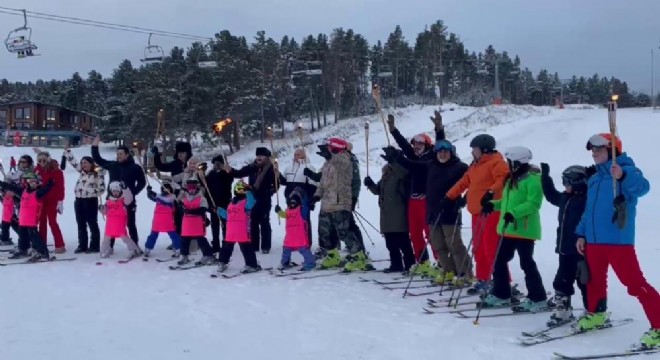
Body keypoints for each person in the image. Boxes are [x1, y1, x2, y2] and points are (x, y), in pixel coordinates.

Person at [574, 133, 659, 348]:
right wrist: (582, 234)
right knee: (593, 280)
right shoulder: (594, 178)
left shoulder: (626, 170)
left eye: (599, 150)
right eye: (592, 150)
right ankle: (596, 314)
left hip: (617, 241)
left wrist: (622, 176)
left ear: (612, 151)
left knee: (635, 284)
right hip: (593, 241)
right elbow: (589, 210)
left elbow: (642, 188)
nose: (594, 154)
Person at [480, 146, 547, 311]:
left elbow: (534, 204)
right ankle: (502, 294)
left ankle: (538, 298)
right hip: (509, 228)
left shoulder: (533, 179)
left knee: (526, 263)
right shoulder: (512, 179)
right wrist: (492, 205)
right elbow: (505, 203)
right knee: (499, 259)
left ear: (518, 162)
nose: (508, 165)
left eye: (510, 162)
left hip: (524, 230)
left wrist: (514, 213)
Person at [400, 137, 471, 285]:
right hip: (432, 212)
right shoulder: (431, 164)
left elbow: (475, 183)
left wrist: (463, 200)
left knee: (454, 244)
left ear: (451, 153)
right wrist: (396, 157)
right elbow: (412, 165)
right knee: (438, 244)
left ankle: (465, 273)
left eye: (445, 152)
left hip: (450, 212)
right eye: (439, 152)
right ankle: (449, 271)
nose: (442, 154)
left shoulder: (460, 167)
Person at [445, 134, 510, 295]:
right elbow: (464, 182)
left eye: (474, 149)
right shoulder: (475, 165)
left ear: (484, 149)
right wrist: (449, 196)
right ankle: (484, 279)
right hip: (476, 213)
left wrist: (491, 191)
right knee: (479, 247)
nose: (472, 152)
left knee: (491, 248)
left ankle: (501, 281)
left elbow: (503, 179)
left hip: (491, 212)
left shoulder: (497, 163)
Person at [386, 111, 445, 276]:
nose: (416, 146)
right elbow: (404, 146)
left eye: (420, 143)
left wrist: (439, 129)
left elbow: (441, 144)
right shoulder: (414, 156)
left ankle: (441, 262)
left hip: (428, 200)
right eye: (415, 143)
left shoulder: (432, 157)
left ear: (427, 144)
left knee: (430, 233)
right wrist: (393, 130)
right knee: (415, 232)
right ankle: (422, 262)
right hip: (413, 200)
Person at [540, 162, 589, 326]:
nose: (564, 186)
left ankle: (593, 311)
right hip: (564, 249)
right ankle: (564, 310)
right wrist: (545, 178)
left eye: (566, 182)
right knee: (562, 280)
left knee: (585, 282)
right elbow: (551, 196)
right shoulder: (566, 198)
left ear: (576, 182)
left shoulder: (587, 201)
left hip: (581, 250)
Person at [314, 138, 370, 272]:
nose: (326, 150)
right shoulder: (328, 162)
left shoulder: (346, 159)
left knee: (344, 232)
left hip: (340, 202)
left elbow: (340, 163)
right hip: (327, 202)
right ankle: (332, 255)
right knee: (324, 232)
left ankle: (358, 256)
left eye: (328, 147)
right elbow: (323, 181)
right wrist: (317, 195)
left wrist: (330, 155)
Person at [91, 135, 146, 248]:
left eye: (121, 154)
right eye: (117, 154)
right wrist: (95, 146)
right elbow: (98, 159)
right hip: (113, 201)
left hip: (128, 202)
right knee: (112, 224)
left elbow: (142, 182)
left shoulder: (135, 167)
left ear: (127, 154)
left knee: (130, 224)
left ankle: (135, 246)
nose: (118, 156)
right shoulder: (112, 165)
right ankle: (109, 247)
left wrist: (133, 193)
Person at [363, 161, 415, 273]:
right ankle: (396, 264)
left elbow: (405, 181)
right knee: (390, 243)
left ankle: (410, 264)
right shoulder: (386, 174)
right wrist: (371, 184)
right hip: (386, 214)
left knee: (403, 241)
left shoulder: (400, 172)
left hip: (399, 212)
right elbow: (378, 190)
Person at [222, 147, 276, 254]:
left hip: (264, 199)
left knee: (264, 221)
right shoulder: (252, 167)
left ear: (267, 157)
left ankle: (266, 246)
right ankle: (254, 246)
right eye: (258, 155)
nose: (259, 157)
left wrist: (269, 191)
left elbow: (276, 184)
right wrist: (231, 170)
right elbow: (239, 173)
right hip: (252, 198)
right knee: (253, 222)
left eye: (262, 155)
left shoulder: (271, 168)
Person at [1, 172, 54, 261]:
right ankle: (23, 250)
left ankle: (43, 253)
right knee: (22, 237)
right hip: (23, 220)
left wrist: (51, 183)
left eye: (35, 182)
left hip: (31, 221)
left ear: (38, 183)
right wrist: (2, 183)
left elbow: (47, 189)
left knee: (34, 237)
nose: (32, 183)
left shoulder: (38, 193)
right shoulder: (23, 191)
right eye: (30, 181)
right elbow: (11, 187)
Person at [64, 149, 106, 254]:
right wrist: (67, 152)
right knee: (81, 224)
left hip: (90, 201)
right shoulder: (82, 172)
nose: (83, 165)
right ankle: (82, 245)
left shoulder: (97, 174)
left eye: (86, 163)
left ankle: (94, 246)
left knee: (92, 223)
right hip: (78, 200)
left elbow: (101, 189)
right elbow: (73, 162)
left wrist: (94, 190)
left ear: (91, 164)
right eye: (82, 163)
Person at [216, 181, 262, 274]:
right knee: (230, 247)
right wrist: (220, 210)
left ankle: (250, 264)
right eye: (240, 190)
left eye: (243, 190)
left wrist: (249, 192)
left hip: (240, 230)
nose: (242, 192)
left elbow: (252, 202)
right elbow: (227, 215)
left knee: (242, 248)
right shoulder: (231, 204)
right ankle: (223, 262)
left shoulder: (245, 203)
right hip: (235, 230)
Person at [279, 148, 318, 247]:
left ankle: (306, 241)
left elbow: (313, 185)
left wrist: (311, 199)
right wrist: (277, 174)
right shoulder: (288, 168)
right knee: (292, 220)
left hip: (303, 198)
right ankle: (294, 241)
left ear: (304, 155)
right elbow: (283, 181)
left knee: (304, 220)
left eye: (298, 154)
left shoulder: (309, 167)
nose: (296, 156)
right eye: (295, 154)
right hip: (290, 198)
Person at [274, 187, 316, 272]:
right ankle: (285, 262)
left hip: (300, 237)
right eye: (291, 202)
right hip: (290, 237)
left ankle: (310, 263)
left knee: (304, 250)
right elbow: (283, 215)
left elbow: (305, 205)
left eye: (295, 202)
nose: (293, 204)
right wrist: (278, 211)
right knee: (286, 250)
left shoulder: (301, 211)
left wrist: (303, 196)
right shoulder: (288, 211)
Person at [176, 179, 214, 266]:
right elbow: (180, 208)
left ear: (197, 188)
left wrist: (189, 211)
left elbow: (202, 211)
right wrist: (180, 206)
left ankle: (208, 255)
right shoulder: (184, 198)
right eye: (189, 188)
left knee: (200, 239)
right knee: (184, 239)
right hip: (187, 222)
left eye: (193, 188)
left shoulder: (202, 199)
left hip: (197, 222)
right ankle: (184, 255)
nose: (191, 190)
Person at [99, 181, 141, 259]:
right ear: (111, 191)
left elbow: (129, 198)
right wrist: (102, 209)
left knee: (126, 239)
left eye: (117, 191)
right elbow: (105, 212)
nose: (115, 193)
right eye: (114, 191)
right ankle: (105, 251)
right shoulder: (108, 202)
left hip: (120, 225)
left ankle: (134, 250)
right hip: (109, 226)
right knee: (106, 240)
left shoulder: (123, 201)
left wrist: (125, 189)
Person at [34, 151, 66, 254]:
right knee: (41, 222)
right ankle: (42, 244)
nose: (42, 162)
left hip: (52, 200)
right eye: (39, 161)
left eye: (44, 160)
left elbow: (61, 187)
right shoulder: (37, 171)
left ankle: (60, 245)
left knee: (52, 222)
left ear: (48, 159)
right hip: (41, 200)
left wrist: (60, 200)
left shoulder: (56, 171)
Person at [143, 180, 182, 258]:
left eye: (167, 188)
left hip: (167, 220)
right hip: (157, 220)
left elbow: (178, 189)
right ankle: (147, 248)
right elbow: (151, 197)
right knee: (153, 235)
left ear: (171, 189)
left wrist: (171, 182)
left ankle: (178, 248)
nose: (165, 190)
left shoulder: (172, 197)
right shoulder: (159, 196)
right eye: (163, 188)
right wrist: (149, 191)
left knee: (173, 235)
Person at [204, 155, 233, 254]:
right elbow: (206, 186)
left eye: (219, 163)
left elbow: (230, 178)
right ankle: (216, 245)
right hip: (213, 203)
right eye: (215, 164)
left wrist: (226, 168)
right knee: (214, 225)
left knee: (225, 224)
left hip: (224, 203)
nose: (216, 165)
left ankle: (226, 244)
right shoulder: (210, 174)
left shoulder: (226, 173)